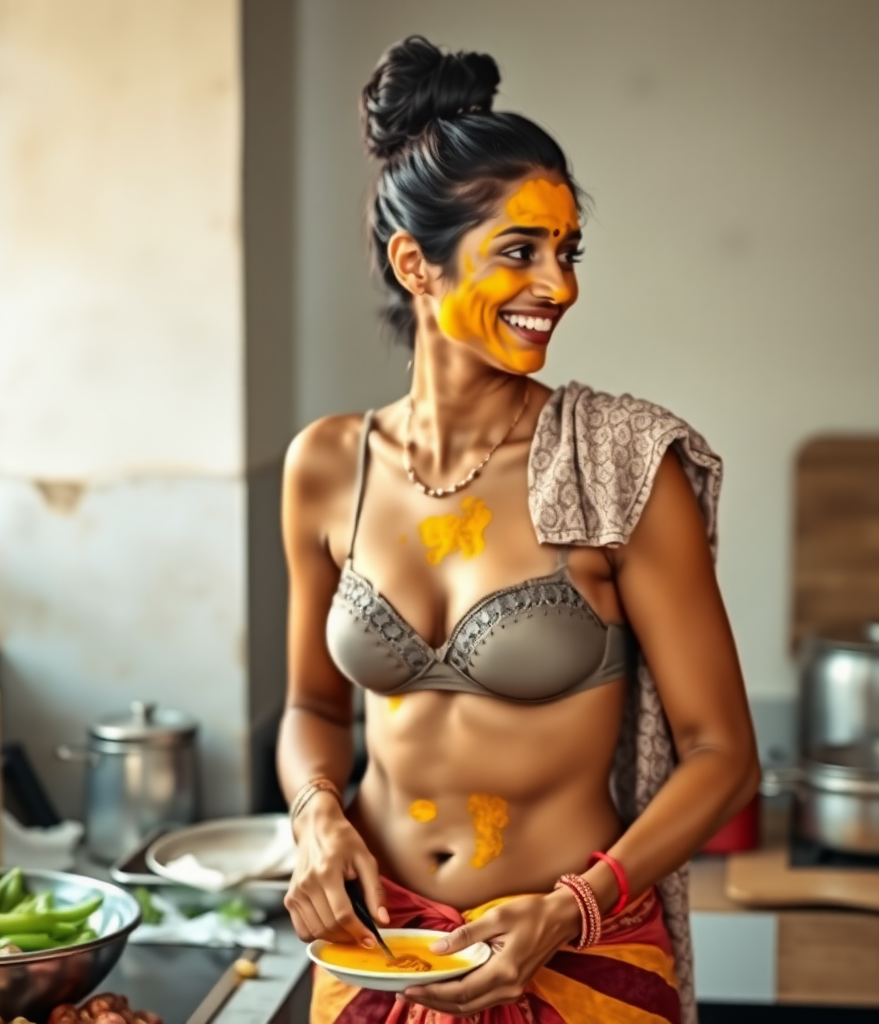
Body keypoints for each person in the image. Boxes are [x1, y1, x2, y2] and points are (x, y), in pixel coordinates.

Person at [278, 35, 759, 1024]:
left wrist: (568, 908)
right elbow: (313, 712)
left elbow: (722, 754)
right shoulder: (328, 466)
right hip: (376, 954)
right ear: (416, 262)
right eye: (520, 250)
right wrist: (316, 815)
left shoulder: (623, 464)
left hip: (576, 958)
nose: (561, 284)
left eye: (567, 249)